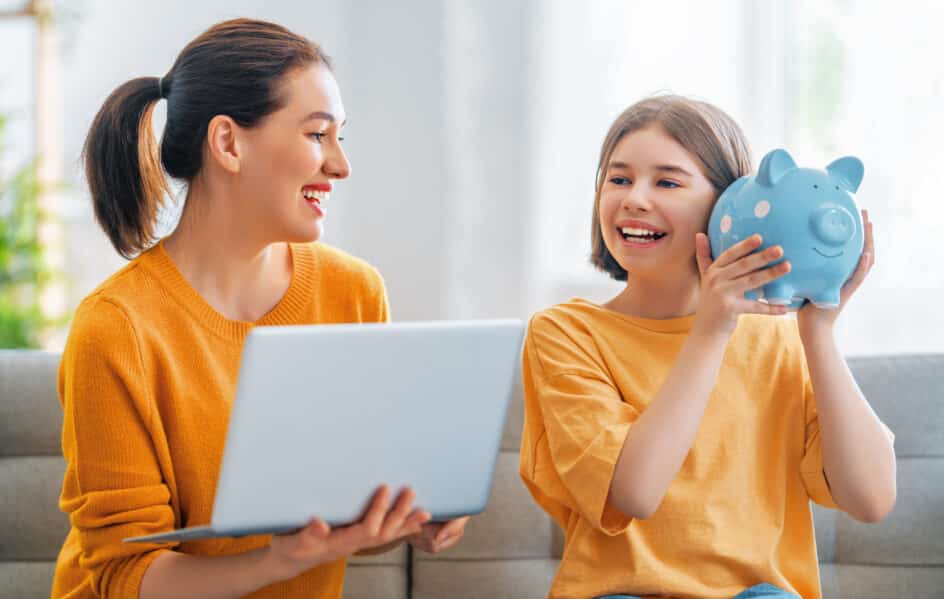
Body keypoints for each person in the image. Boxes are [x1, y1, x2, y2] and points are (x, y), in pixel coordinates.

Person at [52, 18, 467, 599]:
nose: (340, 166)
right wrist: (279, 560)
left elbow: (341, 516)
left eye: (340, 137)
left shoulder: (354, 292)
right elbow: (126, 578)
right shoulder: (116, 328)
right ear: (228, 143)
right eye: (318, 135)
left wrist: (403, 518)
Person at [519, 95, 896, 599]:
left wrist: (819, 332)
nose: (634, 198)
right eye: (619, 178)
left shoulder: (778, 336)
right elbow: (635, 491)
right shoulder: (566, 334)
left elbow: (871, 500)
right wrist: (712, 331)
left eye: (668, 181)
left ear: (728, 205)